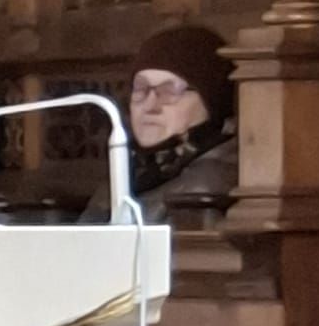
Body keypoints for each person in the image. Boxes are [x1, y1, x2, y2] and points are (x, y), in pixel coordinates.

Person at [84, 24, 237, 223]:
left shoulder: (202, 192)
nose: (150, 105)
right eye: (141, 88)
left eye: (169, 91)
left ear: (213, 104)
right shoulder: (133, 172)